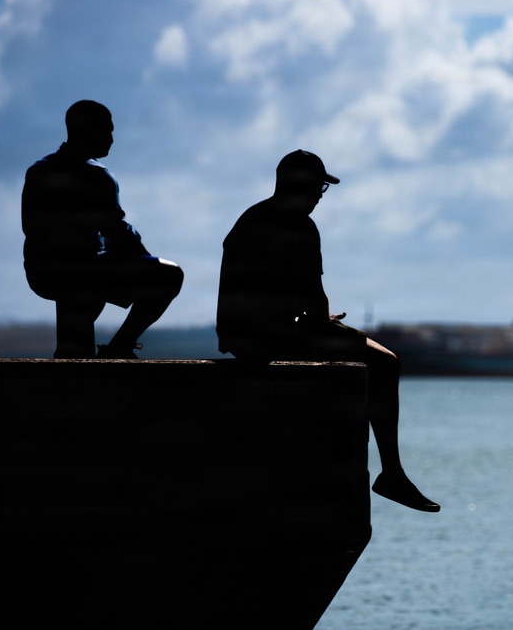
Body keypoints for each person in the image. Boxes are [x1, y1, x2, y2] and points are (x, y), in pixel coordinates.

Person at [217, 149, 440, 512]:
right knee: (385, 363)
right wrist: (326, 324)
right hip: (275, 338)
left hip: (243, 338)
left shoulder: (250, 219)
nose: (321, 195)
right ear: (305, 187)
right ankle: (392, 473)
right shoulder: (299, 226)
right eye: (320, 187)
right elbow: (313, 301)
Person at [22, 100, 184, 359]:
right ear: (88, 131)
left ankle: (72, 356)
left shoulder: (38, 170)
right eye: (107, 131)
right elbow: (118, 232)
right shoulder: (97, 174)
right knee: (169, 275)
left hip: (42, 273)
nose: (111, 139)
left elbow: (30, 228)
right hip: (84, 270)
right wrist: (144, 261)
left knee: (77, 335)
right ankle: (119, 346)